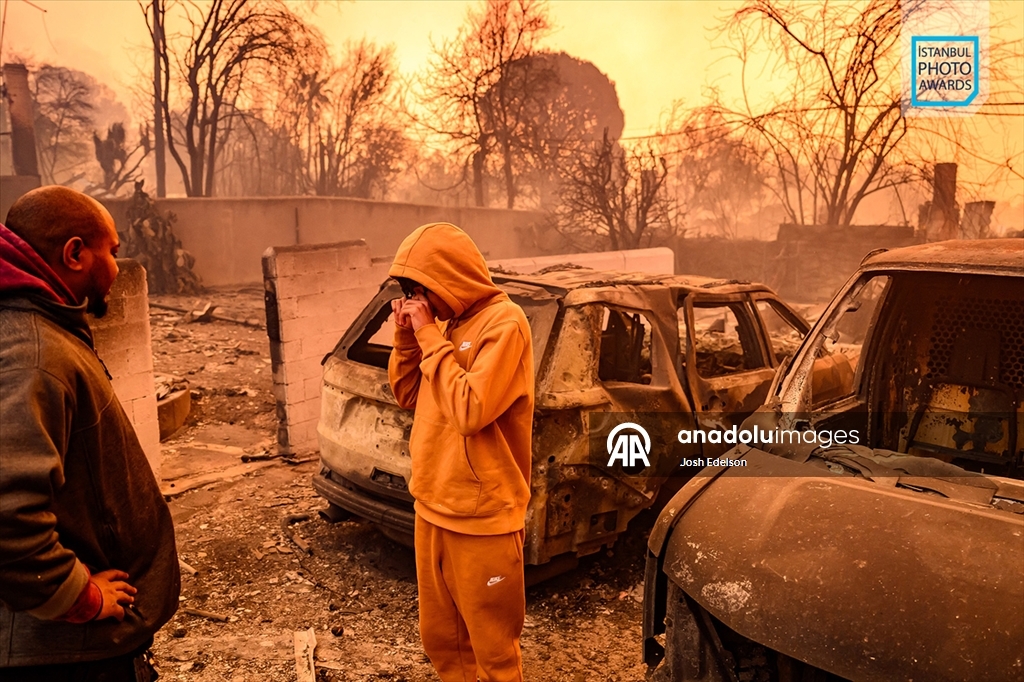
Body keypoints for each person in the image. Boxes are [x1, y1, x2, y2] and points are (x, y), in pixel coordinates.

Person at [0, 186, 180, 680]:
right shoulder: (34, 356)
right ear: (75, 253)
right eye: (113, 252)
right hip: (64, 653)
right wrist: (79, 595)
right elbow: (7, 516)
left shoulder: (39, 331)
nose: (118, 269)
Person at [388, 222, 534, 682]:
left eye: (421, 289)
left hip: (483, 518)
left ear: (451, 277)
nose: (418, 300)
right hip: (432, 507)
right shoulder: (448, 324)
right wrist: (408, 338)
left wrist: (430, 336)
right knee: (443, 643)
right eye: (409, 291)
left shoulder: (506, 324)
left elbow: (471, 410)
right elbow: (407, 393)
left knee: (492, 653)